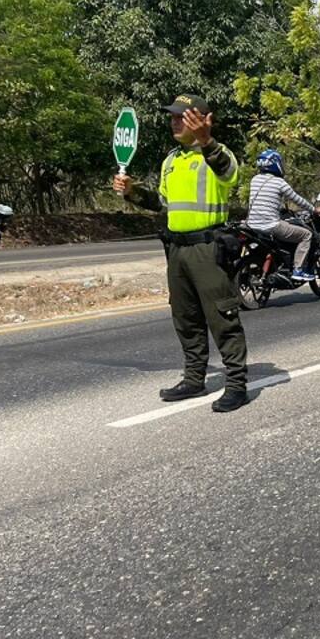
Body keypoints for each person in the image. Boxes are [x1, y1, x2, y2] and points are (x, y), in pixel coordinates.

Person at [113, 94, 250, 413]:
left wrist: (206, 140)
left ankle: (236, 384)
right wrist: (132, 192)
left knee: (222, 317)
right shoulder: (171, 160)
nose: (175, 122)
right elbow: (162, 203)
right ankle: (194, 378)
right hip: (177, 250)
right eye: (173, 117)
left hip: (208, 249)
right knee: (185, 317)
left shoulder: (217, 154)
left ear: (203, 119)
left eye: (182, 117)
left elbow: (229, 173)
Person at [245, 148, 319, 281]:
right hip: (270, 226)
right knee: (306, 235)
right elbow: (297, 199)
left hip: (251, 226)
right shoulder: (279, 183)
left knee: (284, 224)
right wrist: (313, 209)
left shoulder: (254, 180)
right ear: (275, 164)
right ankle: (298, 270)